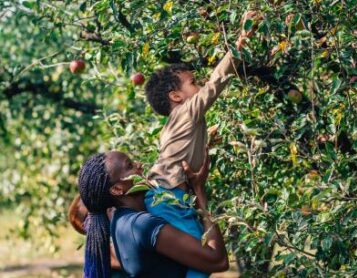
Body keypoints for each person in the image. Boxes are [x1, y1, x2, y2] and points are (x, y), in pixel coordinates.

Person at [143, 11, 259, 278]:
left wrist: (209, 139)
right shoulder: (187, 111)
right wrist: (240, 42)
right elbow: (215, 85)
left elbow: (185, 148)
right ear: (176, 96)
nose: (199, 86)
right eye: (193, 83)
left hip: (165, 194)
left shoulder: (173, 123)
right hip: (171, 196)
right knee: (203, 258)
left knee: (192, 259)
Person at [77, 150, 228, 278]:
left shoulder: (119, 223)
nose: (139, 165)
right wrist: (199, 190)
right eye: (130, 166)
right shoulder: (142, 226)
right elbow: (218, 261)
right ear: (117, 189)